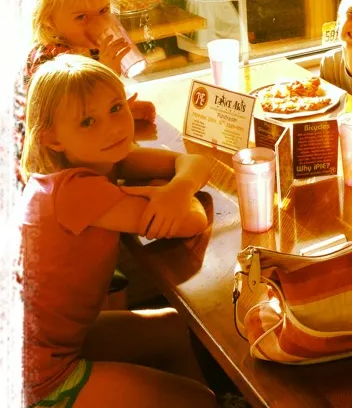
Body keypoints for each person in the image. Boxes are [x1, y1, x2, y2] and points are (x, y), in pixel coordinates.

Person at [19, 54, 216, 408]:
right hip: (38, 375)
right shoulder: (75, 192)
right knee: (198, 400)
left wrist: (177, 189)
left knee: (172, 328)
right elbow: (193, 221)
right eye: (87, 121)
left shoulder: (103, 159)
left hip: (55, 342)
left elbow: (196, 163)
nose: (112, 128)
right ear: (52, 138)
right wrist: (171, 193)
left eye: (115, 108)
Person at [14, 0, 155, 187]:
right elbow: (71, 124)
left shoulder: (76, 45)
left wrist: (125, 109)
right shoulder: (54, 61)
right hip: (46, 175)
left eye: (103, 11)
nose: (98, 23)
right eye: (82, 17)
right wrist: (109, 74)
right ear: (48, 21)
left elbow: (84, 116)